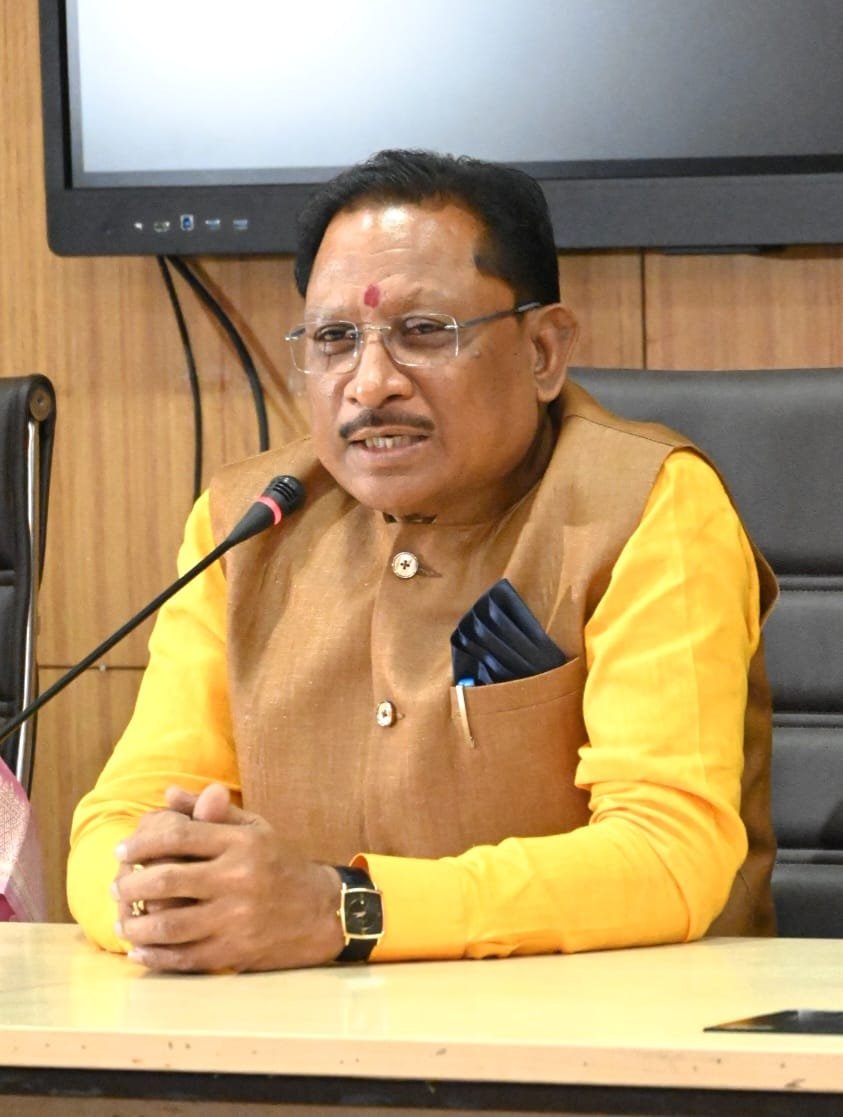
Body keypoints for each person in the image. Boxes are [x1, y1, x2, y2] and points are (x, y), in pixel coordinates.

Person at [68, 150, 778, 973]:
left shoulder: (646, 503)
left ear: (543, 351)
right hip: (296, 1028)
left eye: (423, 332)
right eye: (334, 339)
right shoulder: (248, 521)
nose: (370, 384)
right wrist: (160, 899)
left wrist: (345, 910)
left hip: (604, 1028)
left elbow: (666, 852)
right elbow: (120, 817)